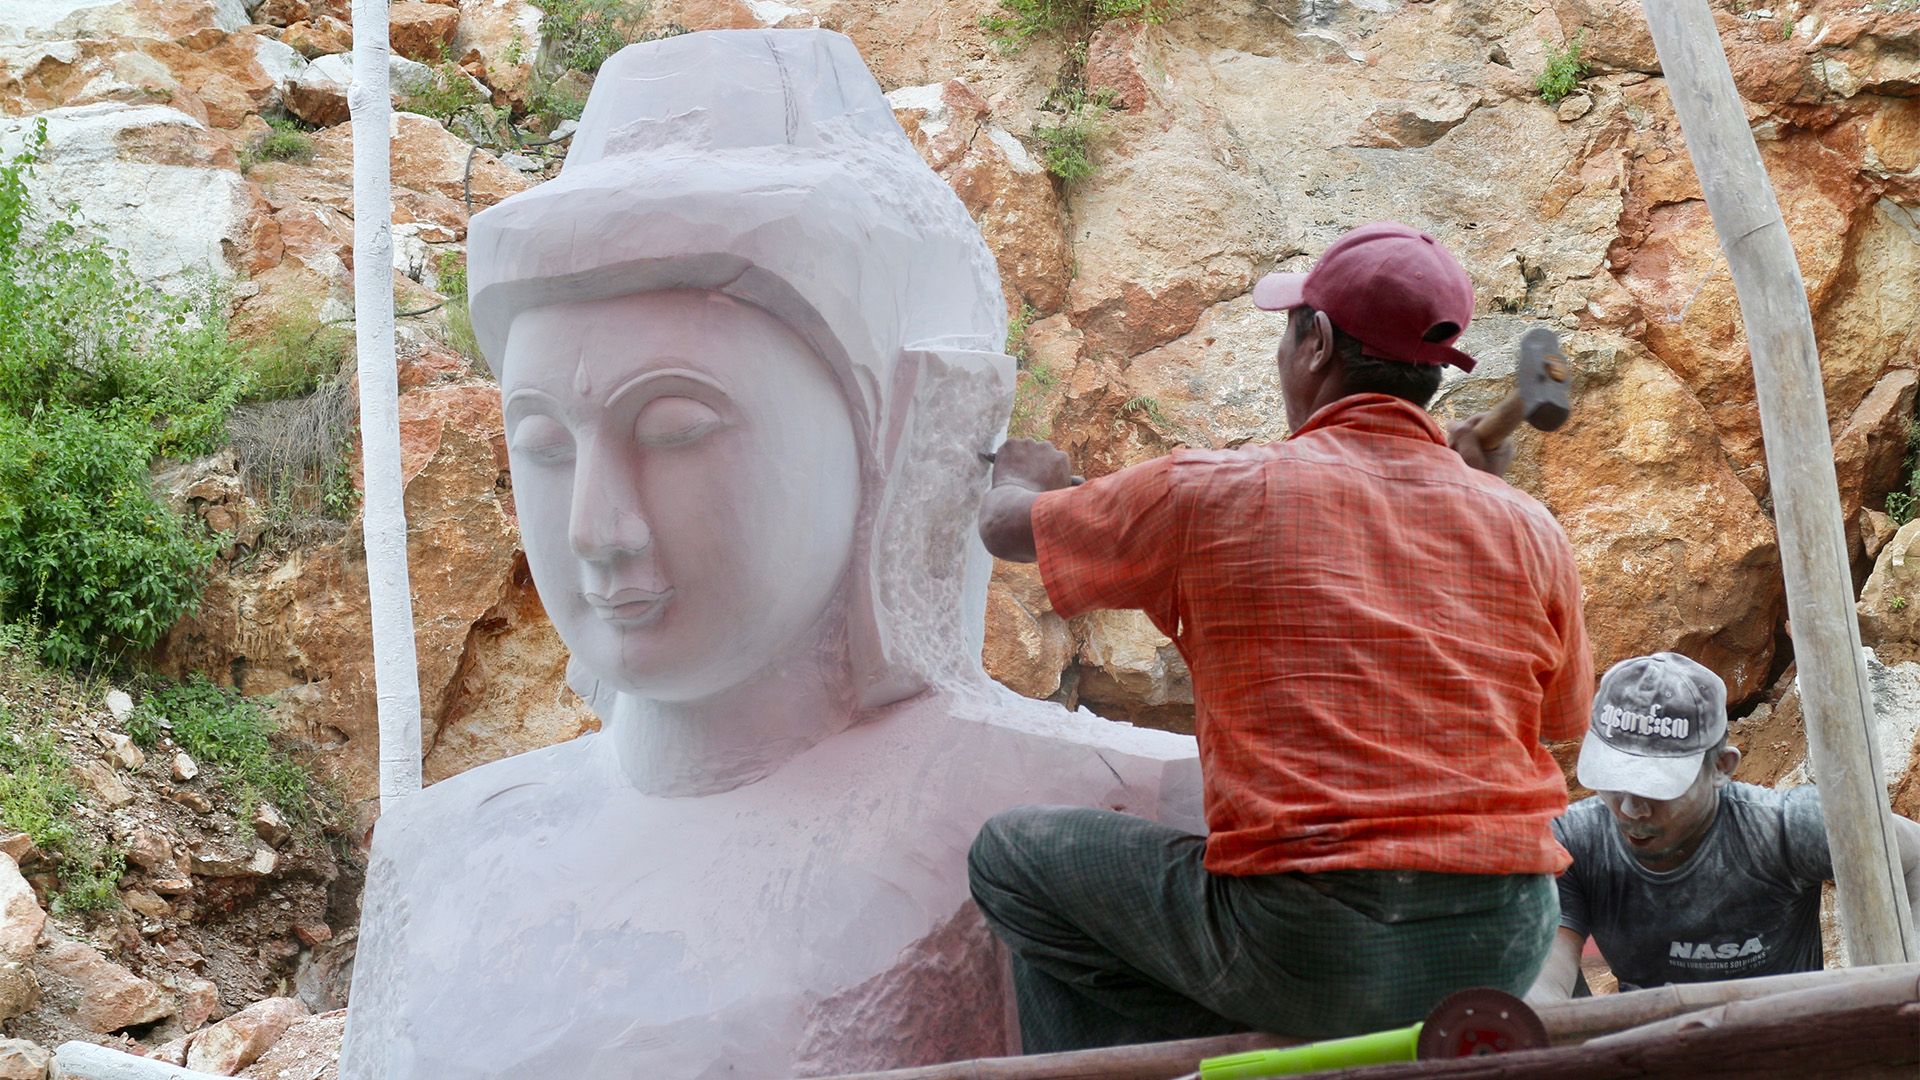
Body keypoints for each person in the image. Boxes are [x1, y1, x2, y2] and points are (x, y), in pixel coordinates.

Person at [337, 30, 1200, 1080]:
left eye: (675, 430)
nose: (598, 530)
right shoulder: (441, 855)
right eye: (545, 447)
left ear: (901, 440)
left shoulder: (1105, 816)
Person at [968, 221, 1596, 1052]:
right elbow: (1563, 720)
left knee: (1013, 858)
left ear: (1318, 342)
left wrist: (1027, 477)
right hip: (1499, 938)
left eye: (1289, 328)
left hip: (1318, 943)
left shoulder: (1208, 494)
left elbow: (1007, 528)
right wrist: (1481, 504)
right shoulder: (1529, 528)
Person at [1526, 652, 1920, 1001]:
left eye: (1655, 788)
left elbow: (1913, 855)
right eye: (1613, 781)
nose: (1629, 808)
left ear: (1721, 768)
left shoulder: (1783, 830)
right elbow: (1543, 974)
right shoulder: (1573, 843)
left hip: (1784, 1052)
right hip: (1650, 1053)